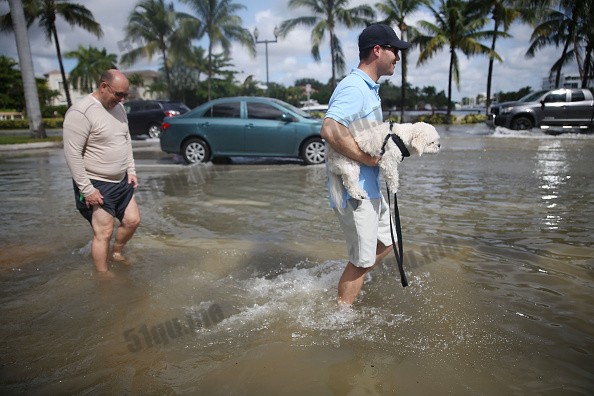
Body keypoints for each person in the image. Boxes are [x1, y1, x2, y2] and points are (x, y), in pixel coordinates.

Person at [320, 24, 411, 305]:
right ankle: (340, 318)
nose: (398, 56)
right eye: (394, 50)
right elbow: (330, 129)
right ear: (377, 50)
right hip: (355, 191)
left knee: (389, 240)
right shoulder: (355, 87)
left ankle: (351, 276)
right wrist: (369, 159)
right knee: (361, 261)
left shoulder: (370, 89)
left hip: (369, 188)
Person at [63, 69, 140, 276]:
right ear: (103, 87)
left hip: (121, 180)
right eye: (119, 94)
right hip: (96, 182)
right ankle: (103, 276)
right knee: (103, 232)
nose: (122, 99)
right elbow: (72, 154)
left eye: (126, 95)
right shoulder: (81, 112)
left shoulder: (119, 108)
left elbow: (126, 139)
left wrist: (130, 170)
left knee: (132, 221)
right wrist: (87, 189)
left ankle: (116, 253)